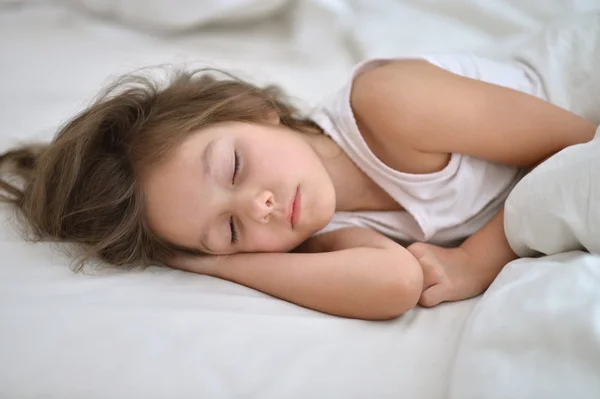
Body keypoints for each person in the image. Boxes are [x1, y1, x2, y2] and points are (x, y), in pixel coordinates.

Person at [1, 27, 596, 320]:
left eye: (233, 166)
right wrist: (206, 262)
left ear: (256, 110)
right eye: (229, 230)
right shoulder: (315, 228)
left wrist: (474, 261)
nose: (258, 206)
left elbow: (577, 146)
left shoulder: (389, 105)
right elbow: (392, 284)